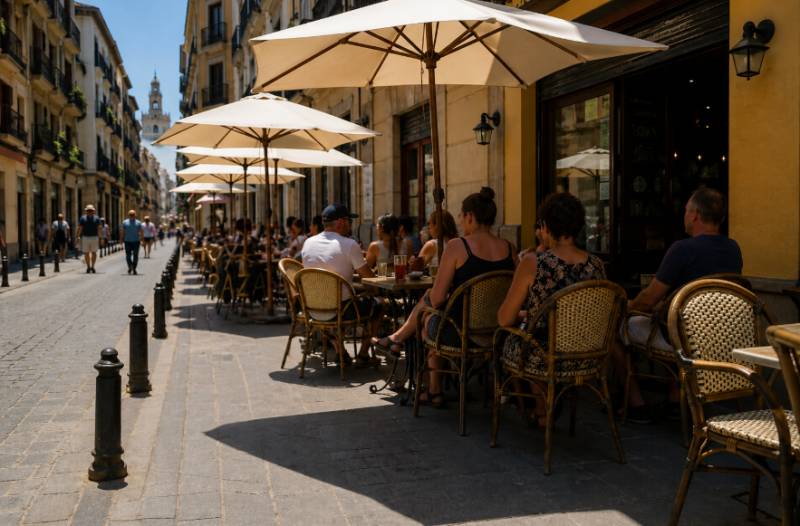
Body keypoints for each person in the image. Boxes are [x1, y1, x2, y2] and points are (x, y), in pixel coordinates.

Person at [372, 187, 517, 406]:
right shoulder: (509, 248)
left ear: (470, 216)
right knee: (431, 309)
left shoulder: (458, 246)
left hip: (460, 334)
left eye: (461, 215)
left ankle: (433, 388)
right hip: (498, 333)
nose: (460, 220)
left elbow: (438, 298)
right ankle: (399, 341)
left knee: (428, 318)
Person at [614, 187, 743, 423]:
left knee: (619, 329)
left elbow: (649, 299)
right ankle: (675, 397)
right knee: (672, 319)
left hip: (684, 339)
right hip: (720, 336)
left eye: (686, 211)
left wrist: (627, 306)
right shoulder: (733, 248)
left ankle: (635, 404)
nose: (684, 216)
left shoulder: (682, 249)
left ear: (695, 216)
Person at [497, 192, 606, 427]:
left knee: (512, 338)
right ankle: (546, 403)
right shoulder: (596, 265)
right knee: (536, 332)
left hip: (546, 356)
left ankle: (539, 407)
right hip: (589, 355)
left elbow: (504, 319)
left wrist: (525, 314)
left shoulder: (534, 262)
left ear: (546, 226)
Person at [301, 203, 380, 366]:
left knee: (341, 297)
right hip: (342, 311)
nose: (350, 225)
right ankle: (363, 354)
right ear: (341, 222)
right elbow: (368, 277)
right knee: (379, 305)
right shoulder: (349, 244)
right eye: (349, 222)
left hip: (313, 310)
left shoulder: (308, 243)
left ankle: (340, 351)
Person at [76, 205, 101, 273]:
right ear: (86, 211)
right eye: (88, 210)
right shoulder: (83, 218)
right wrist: (78, 236)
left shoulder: (97, 218)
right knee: (86, 253)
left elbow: (99, 228)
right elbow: (80, 228)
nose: (89, 212)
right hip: (85, 237)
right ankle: (88, 267)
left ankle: (93, 266)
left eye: (91, 210)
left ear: (93, 211)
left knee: (94, 252)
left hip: (94, 237)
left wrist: (100, 238)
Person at [120, 210, 143, 275]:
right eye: (130, 214)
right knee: (128, 255)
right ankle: (130, 266)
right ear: (128, 215)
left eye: (133, 214)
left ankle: (134, 267)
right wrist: (121, 240)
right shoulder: (125, 222)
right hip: (127, 241)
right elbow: (122, 232)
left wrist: (142, 240)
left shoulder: (138, 223)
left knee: (136, 255)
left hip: (136, 241)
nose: (132, 216)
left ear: (135, 215)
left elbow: (141, 232)